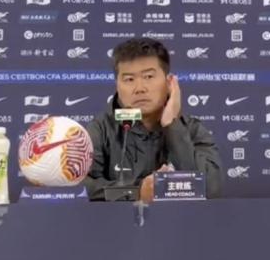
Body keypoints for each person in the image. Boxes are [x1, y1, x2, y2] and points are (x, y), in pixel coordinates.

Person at [85, 38, 222, 201]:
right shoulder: (101, 129)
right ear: (117, 85)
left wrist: (172, 125)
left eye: (148, 76)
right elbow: (87, 187)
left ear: (169, 82)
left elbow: (211, 189)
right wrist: (137, 192)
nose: (140, 88)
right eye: (129, 79)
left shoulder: (192, 129)